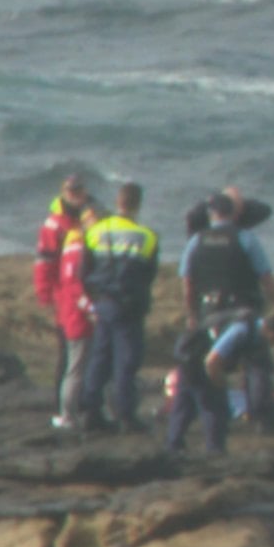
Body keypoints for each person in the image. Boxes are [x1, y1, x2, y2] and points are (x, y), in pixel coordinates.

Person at [80, 183, 160, 432]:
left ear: (118, 201)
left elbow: (84, 271)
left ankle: (90, 412)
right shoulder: (146, 236)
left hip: (103, 303)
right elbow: (149, 274)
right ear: (138, 204)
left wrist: (94, 297)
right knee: (126, 362)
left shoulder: (96, 232)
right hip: (130, 306)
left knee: (99, 358)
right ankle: (125, 415)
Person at [166, 310, 274, 454]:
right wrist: (220, 383)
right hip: (197, 361)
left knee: (184, 405)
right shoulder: (241, 329)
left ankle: (174, 446)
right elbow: (212, 361)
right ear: (272, 333)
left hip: (188, 358)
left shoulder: (252, 328)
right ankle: (215, 451)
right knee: (214, 408)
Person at [180, 190, 274, 332]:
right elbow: (266, 277)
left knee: (213, 348)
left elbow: (187, 283)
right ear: (233, 213)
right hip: (244, 307)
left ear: (211, 213)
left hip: (210, 307)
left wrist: (191, 315)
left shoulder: (196, 240)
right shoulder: (247, 238)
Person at [33, 175, 90, 415]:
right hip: (63, 296)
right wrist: (45, 294)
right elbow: (44, 262)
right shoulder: (55, 224)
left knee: (82, 355)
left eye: (78, 190)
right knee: (66, 354)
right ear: (64, 192)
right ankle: (61, 406)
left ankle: (81, 404)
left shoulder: (87, 216)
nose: (75, 195)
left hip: (81, 293)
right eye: (71, 191)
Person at [50, 204, 100, 429]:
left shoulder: (79, 245)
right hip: (77, 317)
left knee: (82, 366)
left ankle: (78, 411)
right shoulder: (76, 247)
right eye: (92, 219)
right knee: (76, 368)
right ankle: (67, 415)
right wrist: (90, 309)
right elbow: (74, 286)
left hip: (74, 314)